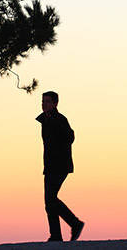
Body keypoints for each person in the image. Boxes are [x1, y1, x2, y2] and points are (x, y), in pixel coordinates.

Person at [36, 90, 85, 242]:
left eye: (48, 101)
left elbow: (70, 136)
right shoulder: (46, 119)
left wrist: (59, 150)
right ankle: (56, 235)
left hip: (60, 165)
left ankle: (74, 224)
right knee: (49, 201)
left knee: (50, 199)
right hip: (50, 165)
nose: (44, 104)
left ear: (55, 103)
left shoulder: (59, 119)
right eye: (43, 101)